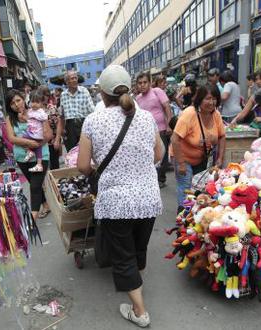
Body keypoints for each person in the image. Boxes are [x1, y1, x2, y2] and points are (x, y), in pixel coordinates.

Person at [77, 65, 163, 328]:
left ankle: (139, 311)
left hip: (115, 203)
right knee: (139, 249)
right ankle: (137, 288)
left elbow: (82, 166)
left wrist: (99, 169)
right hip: (148, 198)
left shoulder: (93, 121)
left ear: (102, 93)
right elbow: (159, 155)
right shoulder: (147, 117)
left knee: (123, 256)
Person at [171, 84, 226, 208]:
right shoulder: (189, 114)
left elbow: (222, 136)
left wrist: (220, 158)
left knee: (200, 188)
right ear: (199, 99)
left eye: (214, 99)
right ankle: (182, 217)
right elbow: (175, 139)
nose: (211, 102)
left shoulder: (216, 114)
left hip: (202, 159)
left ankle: (195, 217)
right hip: (183, 157)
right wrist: (181, 163)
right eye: (207, 98)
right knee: (186, 190)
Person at [5, 90, 52, 220]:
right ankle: (46, 205)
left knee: (35, 186)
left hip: (40, 155)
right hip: (21, 157)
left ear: (23, 99)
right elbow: (11, 138)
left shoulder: (37, 113)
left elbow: (48, 135)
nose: (16, 104)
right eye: (12, 103)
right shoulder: (9, 119)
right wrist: (29, 142)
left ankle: (32, 218)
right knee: (33, 183)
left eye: (18, 100)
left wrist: (36, 144)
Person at [136, 71, 173, 188]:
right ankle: (152, 178)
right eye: (140, 83)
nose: (142, 85)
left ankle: (161, 179)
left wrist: (169, 125)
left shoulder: (157, 91)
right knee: (149, 155)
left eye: (145, 82)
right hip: (145, 132)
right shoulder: (138, 98)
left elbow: (167, 107)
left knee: (162, 155)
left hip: (161, 129)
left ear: (150, 82)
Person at [60, 70, 95, 151]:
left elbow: (92, 110)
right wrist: (62, 129)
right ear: (67, 82)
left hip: (83, 124)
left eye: (76, 78)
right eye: (72, 78)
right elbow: (62, 114)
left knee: (85, 150)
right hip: (70, 126)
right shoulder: (63, 95)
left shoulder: (84, 91)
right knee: (72, 151)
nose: (75, 80)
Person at [19, 90, 49, 173]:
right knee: (38, 148)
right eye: (32, 102)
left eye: (37, 102)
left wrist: (45, 130)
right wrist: (22, 116)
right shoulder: (31, 111)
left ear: (41, 103)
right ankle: (39, 164)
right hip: (33, 132)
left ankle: (30, 151)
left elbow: (43, 122)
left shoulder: (41, 112)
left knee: (24, 137)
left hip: (37, 133)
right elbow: (28, 120)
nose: (34, 104)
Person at [39, 85, 64, 170]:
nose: (43, 97)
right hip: (40, 143)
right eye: (42, 94)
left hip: (52, 142)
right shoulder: (34, 109)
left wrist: (57, 140)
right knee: (42, 168)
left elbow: (58, 124)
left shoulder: (52, 108)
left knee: (55, 167)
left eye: (46, 95)